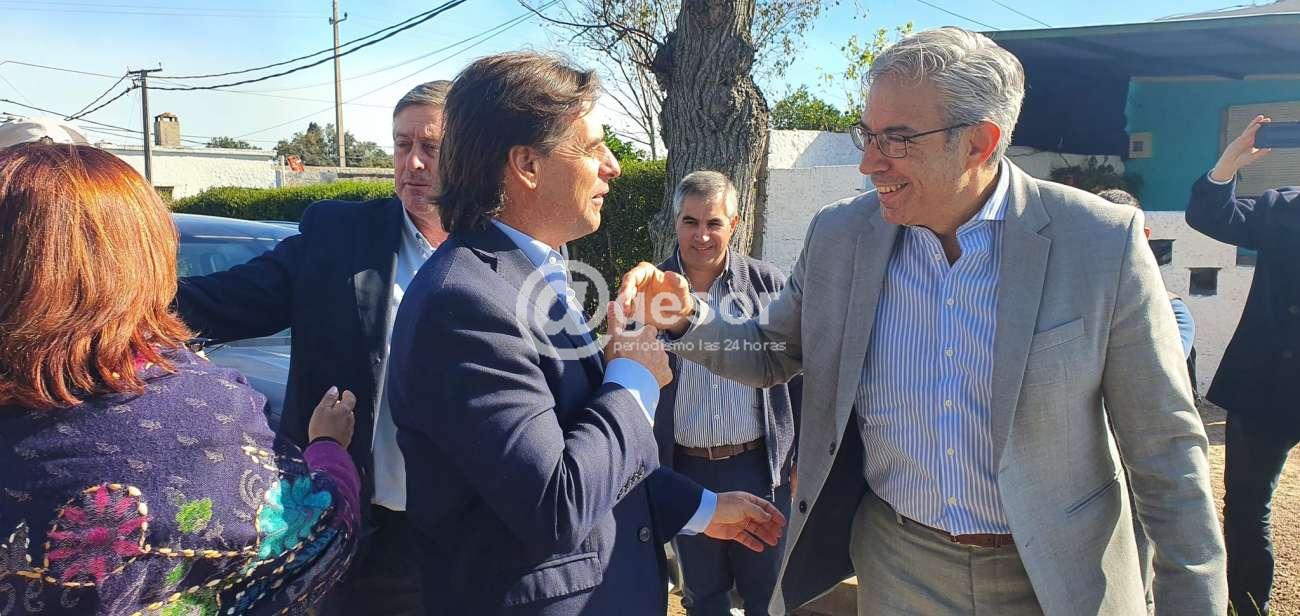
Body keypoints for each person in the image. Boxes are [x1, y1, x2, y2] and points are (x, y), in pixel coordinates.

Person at [618, 26, 1225, 616]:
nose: (869, 163)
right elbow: (775, 349)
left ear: (979, 143)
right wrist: (682, 313)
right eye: (867, 134)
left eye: (897, 140)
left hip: (1059, 577)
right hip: (899, 568)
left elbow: (1166, 450)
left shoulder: (1099, 242)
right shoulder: (841, 236)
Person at [386, 52, 785, 615]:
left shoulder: (531, 274)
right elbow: (558, 503)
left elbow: (585, 445)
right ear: (527, 164)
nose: (613, 166)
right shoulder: (464, 303)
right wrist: (633, 377)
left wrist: (703, 508)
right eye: (593, 147)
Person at [0, 143, 360, 615]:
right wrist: (328, 449)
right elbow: (318, 533)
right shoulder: (206, 415)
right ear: (148, 260)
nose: (413, 162)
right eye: (402, 142)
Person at [174, 81, 450, 615]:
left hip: (465, 528)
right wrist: (112, 303)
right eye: (402, 145)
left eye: (431, 148)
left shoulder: (497, 247)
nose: (413, 163)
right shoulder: (340, 237)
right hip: (363, 525)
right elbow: (221, 301)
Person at [654, 170, 800, 615]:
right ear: (675, 222)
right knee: (703, 597)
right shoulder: (651, 290)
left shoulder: (768, 285)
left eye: (713, 223)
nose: (701, 236)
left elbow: (800, 376)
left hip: (759, 468)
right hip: (685, 471)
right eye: (690, 221)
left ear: (733, 225)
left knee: (768, 595)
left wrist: (801, 457)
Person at [1185, 114, 1300, 616]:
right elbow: (1210, 215)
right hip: (1267, 385)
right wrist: (1230, 162)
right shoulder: (1283, 208)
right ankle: (1248, 607)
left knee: (1249, 508)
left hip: (1266, 383)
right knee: (1249, 507)